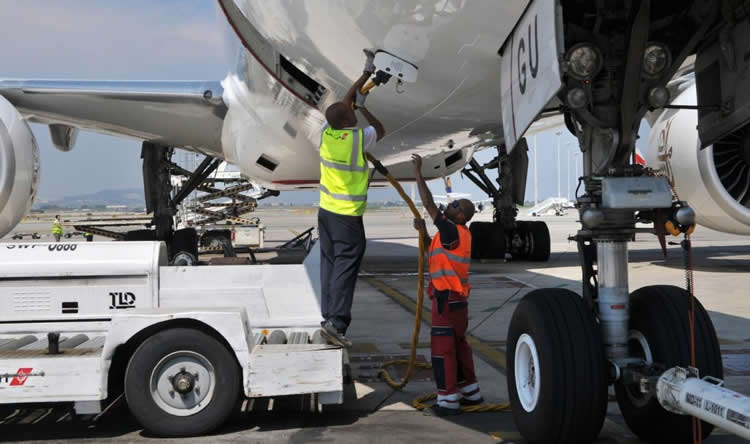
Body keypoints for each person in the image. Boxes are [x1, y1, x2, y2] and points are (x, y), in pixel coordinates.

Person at [318, 52, 386, 348]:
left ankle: (327, 316)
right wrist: (365, 109)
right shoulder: (358, 139)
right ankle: (336, 323)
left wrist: (365, 73)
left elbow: (342, 106)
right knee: (346, 266)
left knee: (330, 264)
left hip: (327, 213)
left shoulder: (327, 134)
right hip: (346, 215)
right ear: (349, 119)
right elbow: (380, 130)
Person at [411, 154, 482, 416]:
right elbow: (435, 251)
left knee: (443, 351)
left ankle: (448, 400)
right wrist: (422, 232)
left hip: (446, 299)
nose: (448, 206)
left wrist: (418, 172)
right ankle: (470, 391)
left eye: (453, 205)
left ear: (461, 215)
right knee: (460, 345)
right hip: (459, 302)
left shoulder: (453, 230)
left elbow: (429, 203)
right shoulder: (458, 235)